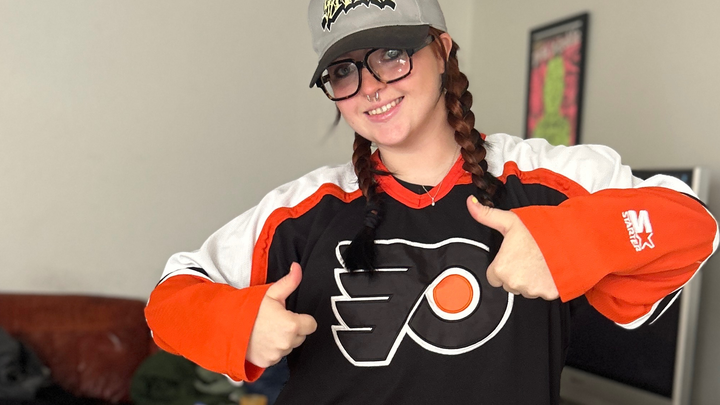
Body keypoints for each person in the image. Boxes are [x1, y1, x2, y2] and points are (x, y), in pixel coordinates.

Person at [144, 1, 719, 404]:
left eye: (391, 55)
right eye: (343, 72)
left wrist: (571, 241)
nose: (370, 86)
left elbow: (693, 224)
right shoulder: (304, 209)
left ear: (441, 50)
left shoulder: (543, 178)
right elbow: (169, 300)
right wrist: (238, 323)